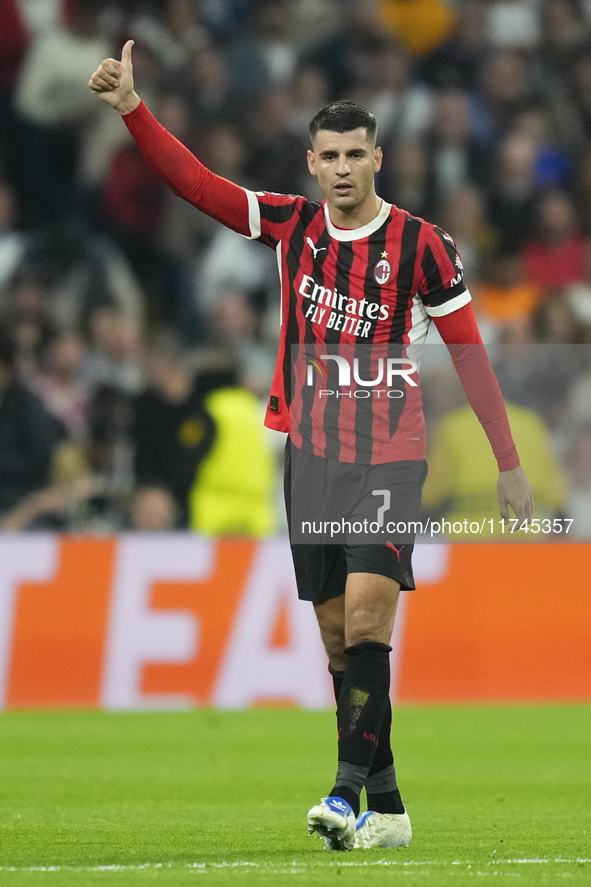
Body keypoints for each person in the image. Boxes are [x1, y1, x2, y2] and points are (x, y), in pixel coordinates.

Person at [89, 42, 533, 852]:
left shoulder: (422, 245)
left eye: (352, 154)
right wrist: (132, 109)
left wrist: (507, 462)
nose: (338, 168)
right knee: (337, 639)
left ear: (376, 158)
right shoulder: (291, 225)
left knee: (367, 619)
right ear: (310, 160)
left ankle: (342, 791)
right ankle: (389, 808)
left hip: (390, 453)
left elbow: (469, 353)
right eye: (326, 155)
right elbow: (195, 184)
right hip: (313, 457)